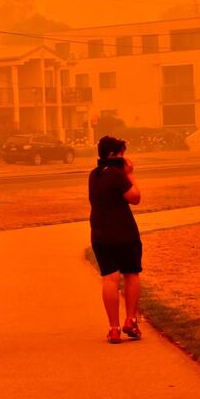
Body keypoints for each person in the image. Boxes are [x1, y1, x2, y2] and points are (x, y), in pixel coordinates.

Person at [88, 136, 143, 344]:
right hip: (123, 232)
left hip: (100, 233)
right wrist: (130, 175)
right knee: (131, 274)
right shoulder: (118, 176)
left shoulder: (94, 175)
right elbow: (135, 198)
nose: (124, 158)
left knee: (109, 279)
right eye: (122, 153)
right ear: (112, 155)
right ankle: (130, 320)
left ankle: (113, 328)